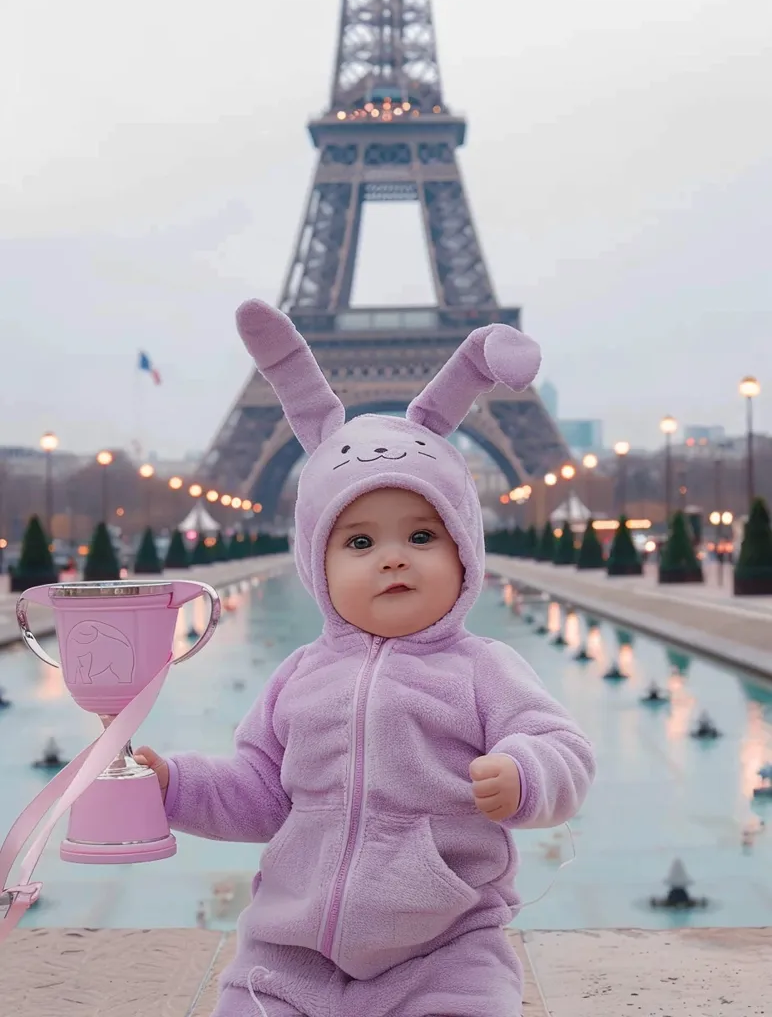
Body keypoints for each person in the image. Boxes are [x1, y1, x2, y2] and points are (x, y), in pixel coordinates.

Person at [136, 300, 595, 1017]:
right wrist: (174, 785)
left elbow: (562, 745)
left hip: (444, 946)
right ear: (315, 563)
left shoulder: (484, 669)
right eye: (359, 543)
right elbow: (259, 790)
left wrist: (525, 773)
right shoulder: (297, 677)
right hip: (291, 950)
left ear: (464, 554)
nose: (391, 559)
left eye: (421, 537)